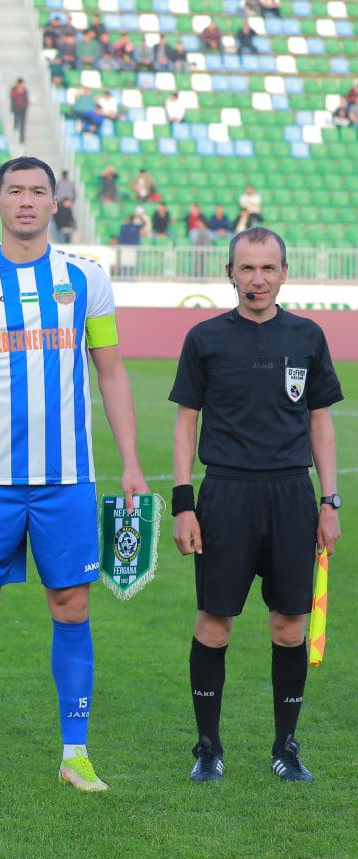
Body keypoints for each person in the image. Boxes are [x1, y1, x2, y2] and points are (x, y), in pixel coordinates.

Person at [0, 156, 148, 792]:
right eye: (14, 191)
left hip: (67, 478)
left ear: (57, 203)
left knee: (72, 605)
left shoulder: (86, 278)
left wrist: (131, 463)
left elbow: (110, 372)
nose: (26, 201)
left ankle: (75, 753)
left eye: (38, 192)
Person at [169, 226, 342, 782]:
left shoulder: (308, 336)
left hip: (292, 495)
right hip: (224, 494)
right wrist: (183, 504)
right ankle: (208, 747)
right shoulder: (205, 338)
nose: (258, 279)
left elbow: (320, 420)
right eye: (247, 268)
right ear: (229, 273)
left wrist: (329, 500)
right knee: (214, 624)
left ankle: (285, 747)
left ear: (285, 273)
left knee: (290, 626)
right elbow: (185, 422)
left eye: (268, 268)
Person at [10, 78, 28, 144]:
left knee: (22, 124)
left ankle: (21, 138)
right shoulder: (13, 89)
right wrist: (18, 92)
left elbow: (26, 100)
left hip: (23, 109)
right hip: (16, 109)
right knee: (16, 123)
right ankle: (15, 136)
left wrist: (25, 107)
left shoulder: (25, 90)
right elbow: (12, 97)